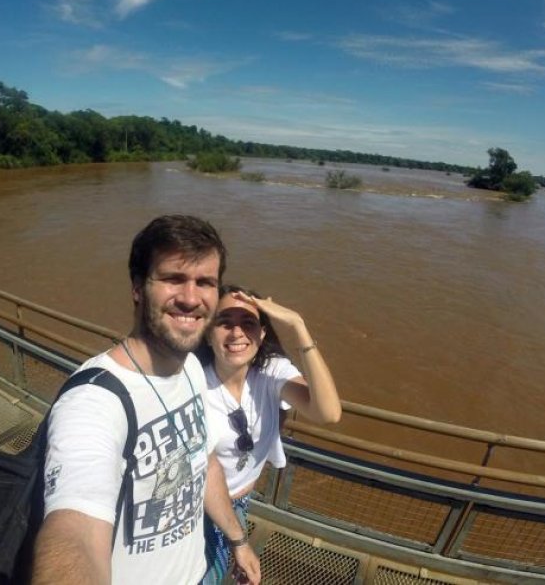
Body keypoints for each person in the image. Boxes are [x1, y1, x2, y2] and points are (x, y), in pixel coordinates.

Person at [33, 215, 260, 585]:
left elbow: (205, 465)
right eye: (173, 279)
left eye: (205, 282)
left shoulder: (190, 369)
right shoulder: (94, 401)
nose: (190, 298)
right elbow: (74, 533)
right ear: (138, 287)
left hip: (200, 573)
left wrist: (238, 540)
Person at [199, 285, 341, 584]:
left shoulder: (271, 371)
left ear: (262, 334)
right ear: (208, 333)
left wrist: (298, 326)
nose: (237, 332)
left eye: (248, 323)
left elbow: (328, 413)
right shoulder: (194, 384)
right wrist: (239, 542)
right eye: (225, 322)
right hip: (196, 507)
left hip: (238, 503)